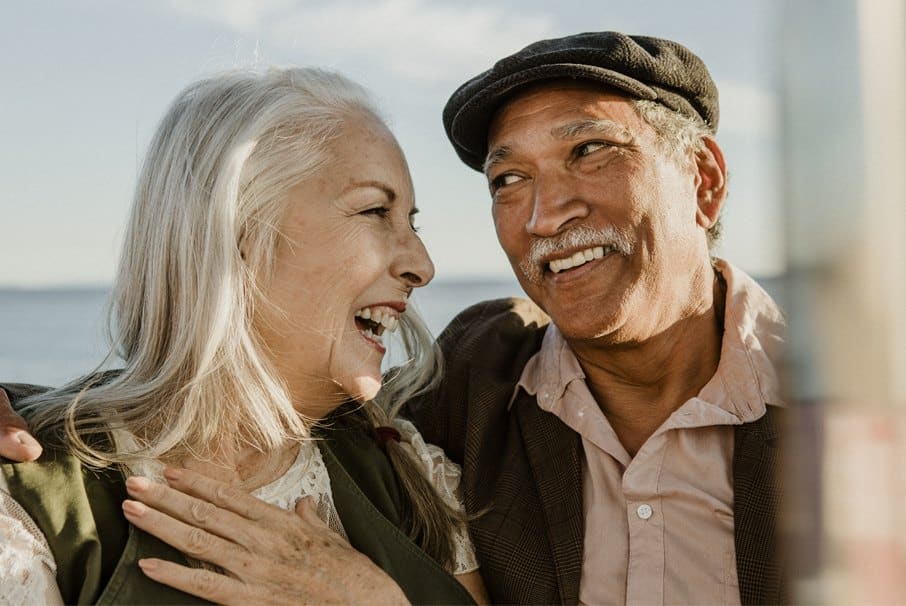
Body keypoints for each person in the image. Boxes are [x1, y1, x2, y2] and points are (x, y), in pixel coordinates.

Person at [1, 31, 787, 605]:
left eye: (589, 151)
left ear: (705, 182)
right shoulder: (455, 410)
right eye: (508, 177)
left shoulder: (865, 404)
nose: (546, 214)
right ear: (236, 234)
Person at [0, 67, 488, 605]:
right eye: (375, 210)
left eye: (412, 223)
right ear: (238, 232)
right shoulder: (29, 513)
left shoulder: (414, 476)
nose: (423, 264)